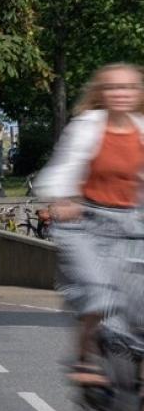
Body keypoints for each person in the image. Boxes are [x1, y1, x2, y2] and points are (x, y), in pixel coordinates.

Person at [36, 62, 144, 386]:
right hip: (89, 222)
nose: (121, 94)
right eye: (113, 88)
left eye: (128, 87)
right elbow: (62, 169)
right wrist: (62, 199)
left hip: (133, 226)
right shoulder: (86, 126)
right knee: (98, 294)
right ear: (101, 94)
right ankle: (86, 357)